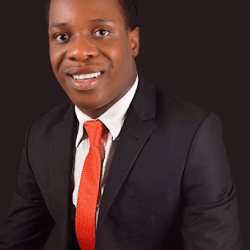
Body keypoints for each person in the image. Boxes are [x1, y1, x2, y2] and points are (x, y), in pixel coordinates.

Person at [0, 0, 242, 249]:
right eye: (62, 36)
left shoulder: (194, 133)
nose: (79, 51)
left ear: (133, 41)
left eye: (101, 32)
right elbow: (17, 241)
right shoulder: (42, 132)